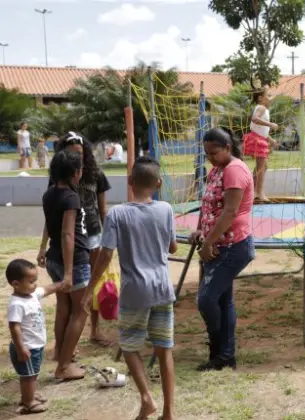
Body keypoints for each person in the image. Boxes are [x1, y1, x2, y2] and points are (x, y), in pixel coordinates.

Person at [83, 156, 178, 420]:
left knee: (128, 345)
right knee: (164, 349)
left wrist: (91, 287)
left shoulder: (117, 213)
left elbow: (105, 254)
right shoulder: (166, 209)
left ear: (130, 181)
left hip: (135, 290)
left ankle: (147, 398)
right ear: (158, 183)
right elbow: (172, 247)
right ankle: (168, 412)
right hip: (162, 288)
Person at [189, 127, 255, 371]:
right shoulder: (217, 170)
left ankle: (219, 349)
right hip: (218, 243)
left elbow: (230, 211)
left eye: (214, 153)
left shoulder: (235, 170)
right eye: (206, 154)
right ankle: (224, 355)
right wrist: (200, 230)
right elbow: (206, 205)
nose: (210, 158)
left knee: (206, 300)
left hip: (232, 245)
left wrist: (208, 243)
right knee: (222, 299)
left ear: (228, 148)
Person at [38, 132, 112, 348]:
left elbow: (103, 209)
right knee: (74, 295)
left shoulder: (95, 174)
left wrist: (108, 238)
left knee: (93, 283)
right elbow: (51, 218)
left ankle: (95, 330)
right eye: (70, 154)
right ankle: (66, 348)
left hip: (93, 235)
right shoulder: (58, 181)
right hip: (70, 240)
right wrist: (43, 245)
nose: (75, 158)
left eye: (79, 153)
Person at [41, 149, 90, 381]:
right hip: (73, 260)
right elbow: (68, 234)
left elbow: (49, 226)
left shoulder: (49, 194)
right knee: (80, 310)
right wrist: (70, 273)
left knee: (64, 308)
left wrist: (43, 249)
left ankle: (61, 354)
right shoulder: (71, 197)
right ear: (75, 173)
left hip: (54, 258)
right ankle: (63, 367)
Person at [7, 259, 68, 415]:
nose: (35, 284)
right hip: (26, 347)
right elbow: (14, 327)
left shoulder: (32, 295)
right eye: (31, 281)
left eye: (35, 281)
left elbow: (47, 289)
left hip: (35, 345)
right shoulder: (17, 304)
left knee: (32, 374)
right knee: (28, 377)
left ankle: (30, 394)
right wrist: (21, 348)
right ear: (16, 284)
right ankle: (28, 402)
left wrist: (61, 283)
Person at [242, 89, 279, 202]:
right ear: (260, 98)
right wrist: (270, 124)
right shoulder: (261, 108)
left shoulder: (264, 109)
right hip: (257, 139)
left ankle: (253, 190)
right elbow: (254, 120)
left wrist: (271, 140)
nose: (270, 97)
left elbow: (261, 130)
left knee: (263, 166)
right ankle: (259, 192)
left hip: (260, 138)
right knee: (261, 166)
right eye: (268, 95)